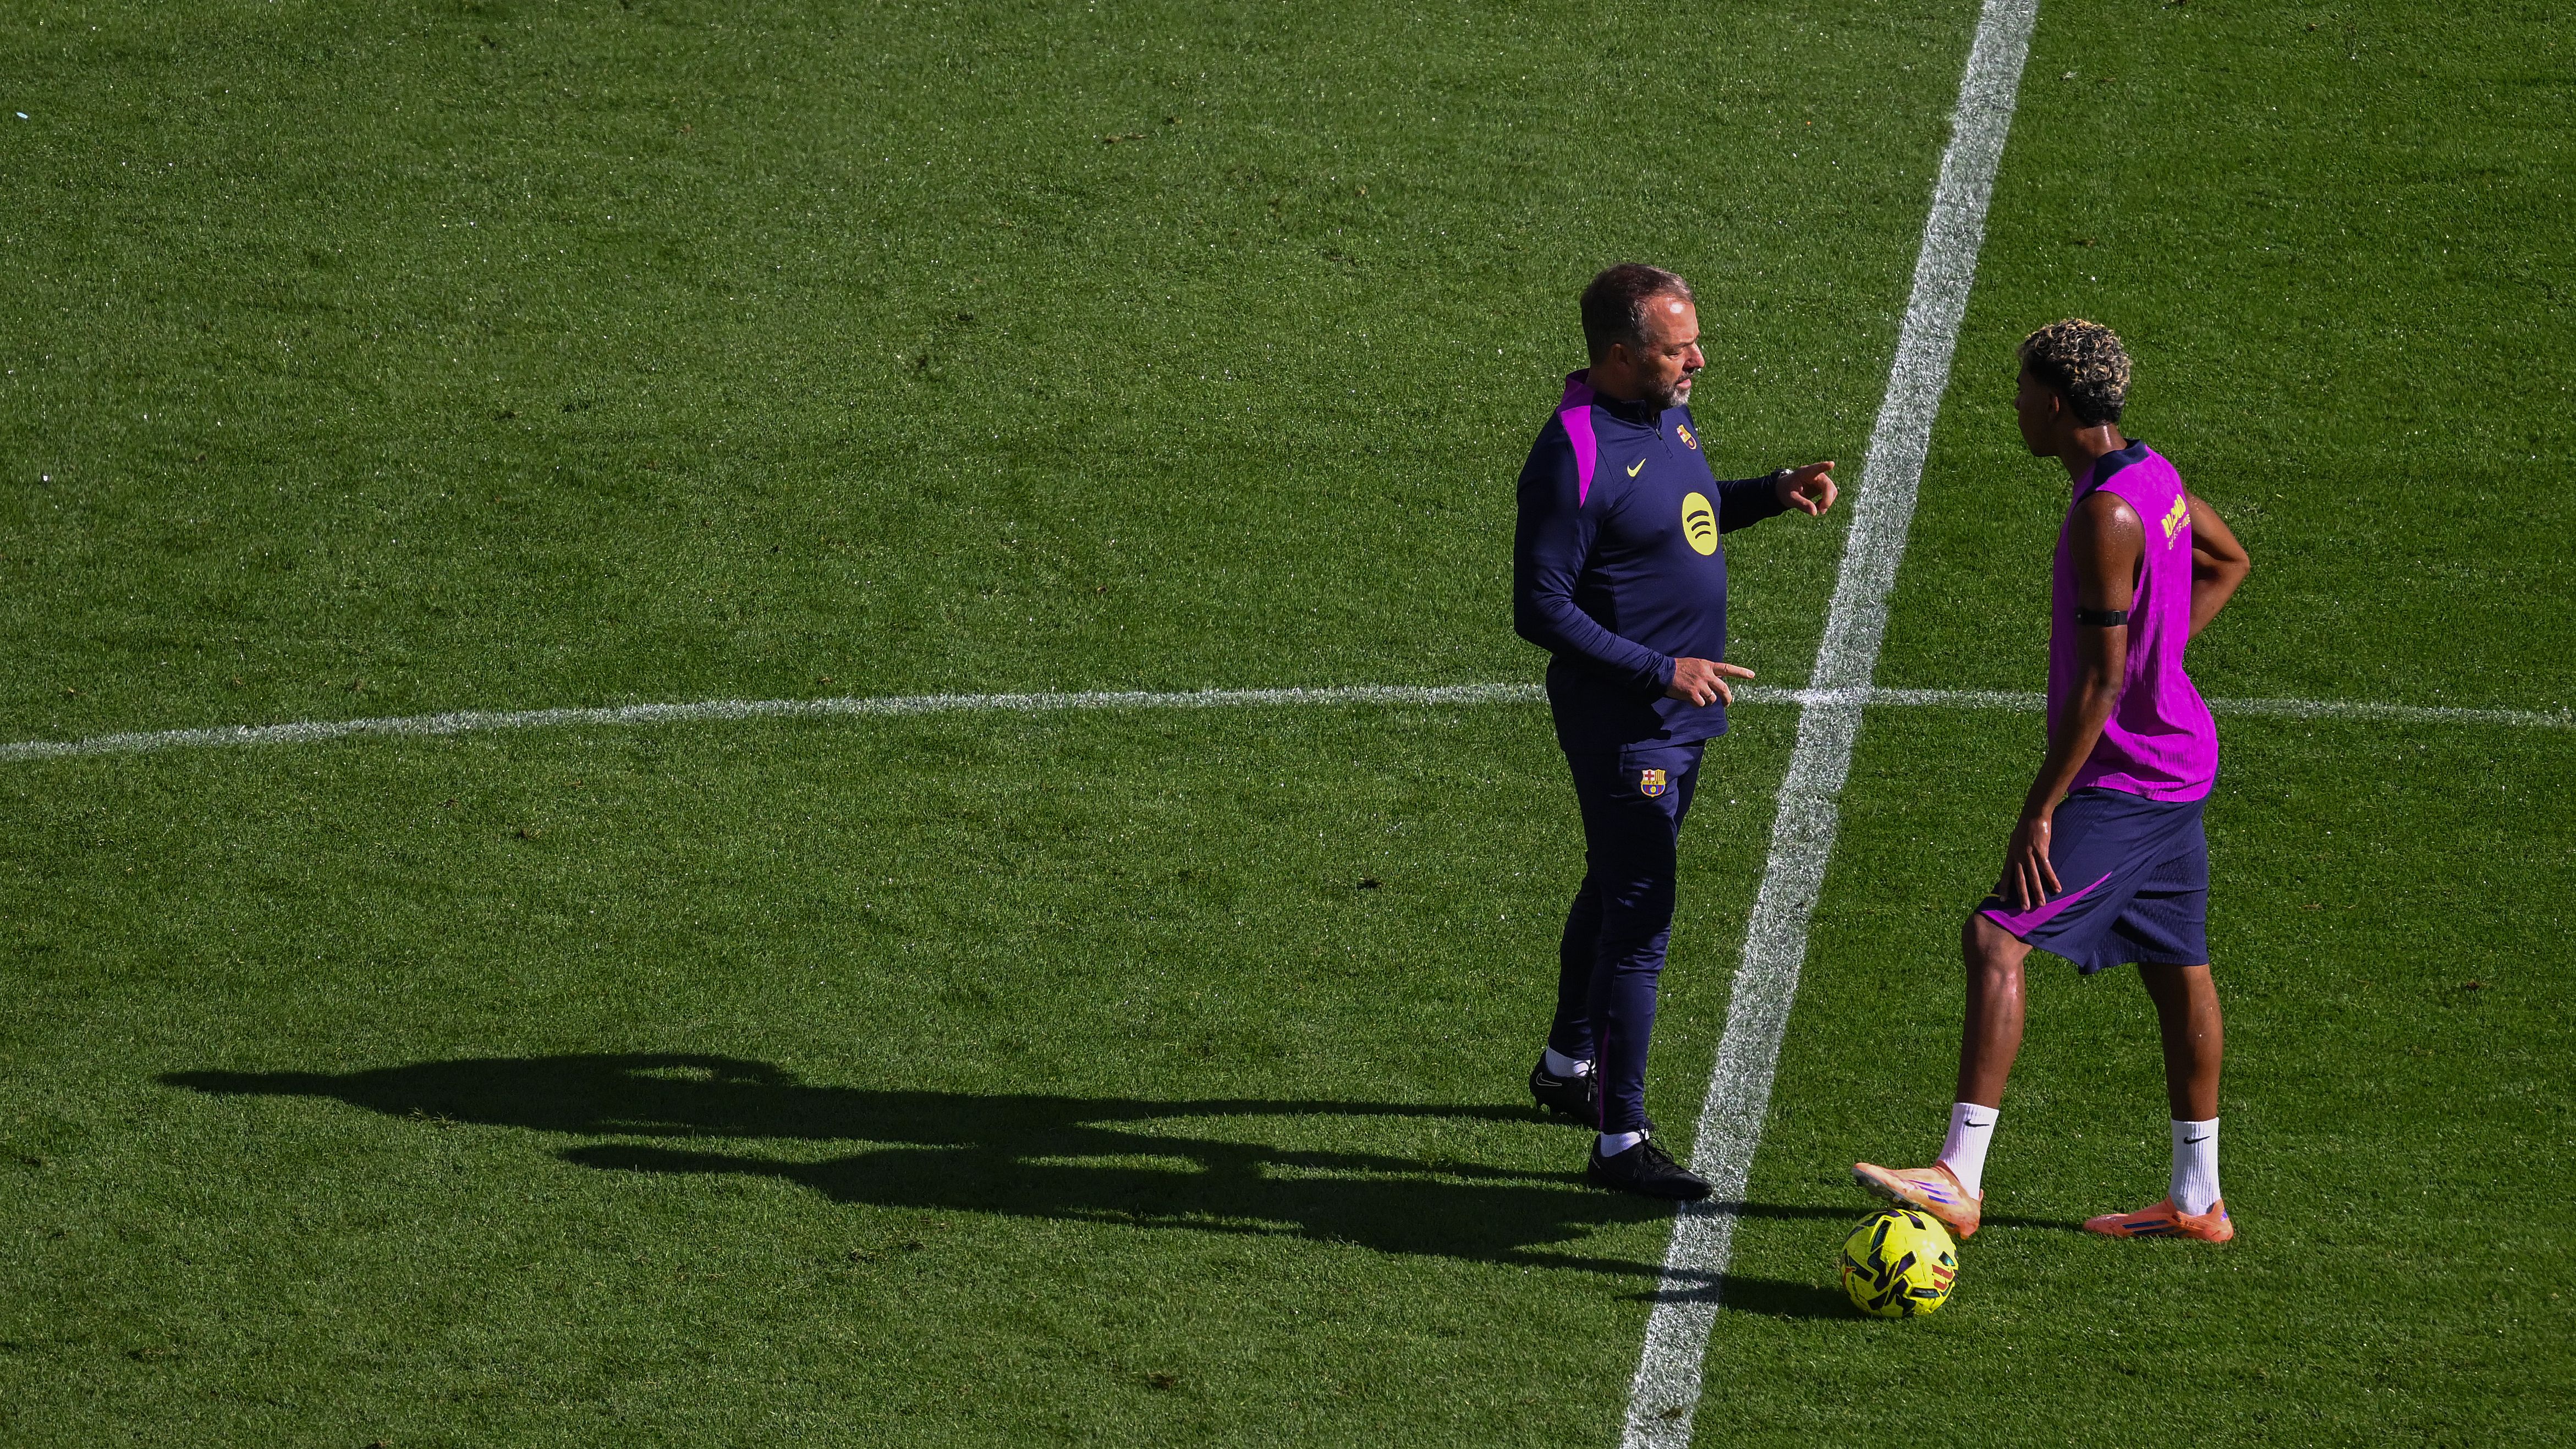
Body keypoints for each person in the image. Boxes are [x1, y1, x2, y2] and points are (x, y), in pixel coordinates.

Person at [1853, 319, 2251, 1241]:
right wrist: (2163, 661)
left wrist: (2040, 808)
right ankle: (2198, 1200)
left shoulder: (2104, 514)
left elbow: (2103, 684)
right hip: (2181, 760)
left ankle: (1958, 1175)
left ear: (2059, 404)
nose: (2016, 404)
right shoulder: (2153, 474)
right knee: (2178, 964)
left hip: (2133, 779)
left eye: (2024, 391)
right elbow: (2227, 560)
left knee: (1996, 938)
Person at [1513, 263, 1838, 1199]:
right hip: (1628, 723)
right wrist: (1663, 668)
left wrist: (1769, 492)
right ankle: (1621, 1141)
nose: (1699, 361)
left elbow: (1680, 516)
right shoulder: (1573, 451)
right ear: (1621, 355)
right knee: (1641, 919)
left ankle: (1568, 1064)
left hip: (1674, 716)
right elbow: (1539, 606)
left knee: (1614, 883)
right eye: (1678, 349)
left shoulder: (1663, 414)